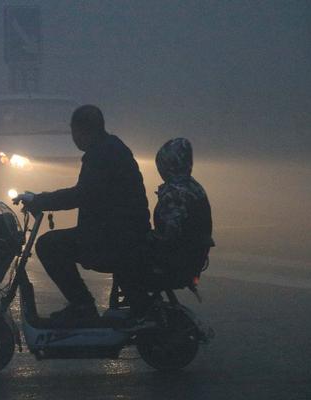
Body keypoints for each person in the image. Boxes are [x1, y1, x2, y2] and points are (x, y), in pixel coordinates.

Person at [14, 105, 150, 321]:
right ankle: (81, 305)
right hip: (120, 231)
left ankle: (82, 305)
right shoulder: (112, 148)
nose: (74, 138)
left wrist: (40, 200)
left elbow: (81, 195)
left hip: (114, 237)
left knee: (49, 245)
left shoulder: (100, 155)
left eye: (75, 132)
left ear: (85, 131)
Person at [147, 138, 214, 290]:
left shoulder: (176, 193)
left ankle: (139, 306)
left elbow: (170, 236)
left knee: (123, 259)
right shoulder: (194, 187)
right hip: (191, 261)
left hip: (174, 262)